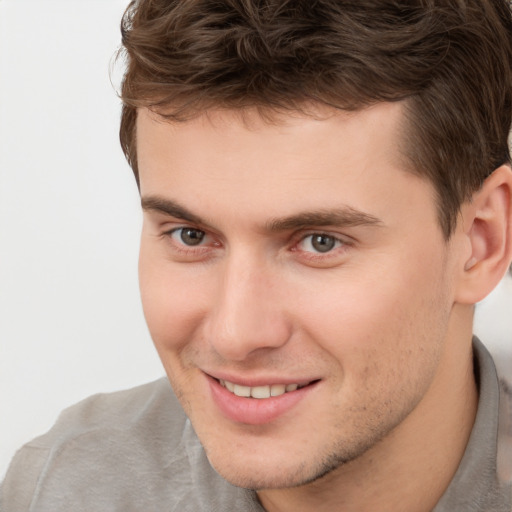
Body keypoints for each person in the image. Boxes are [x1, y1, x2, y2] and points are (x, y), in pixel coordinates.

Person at [2, 0, 512, 510]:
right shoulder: (63, 487)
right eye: (190, 236)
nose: (235, 335)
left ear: (481, 243)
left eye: (320, 242)